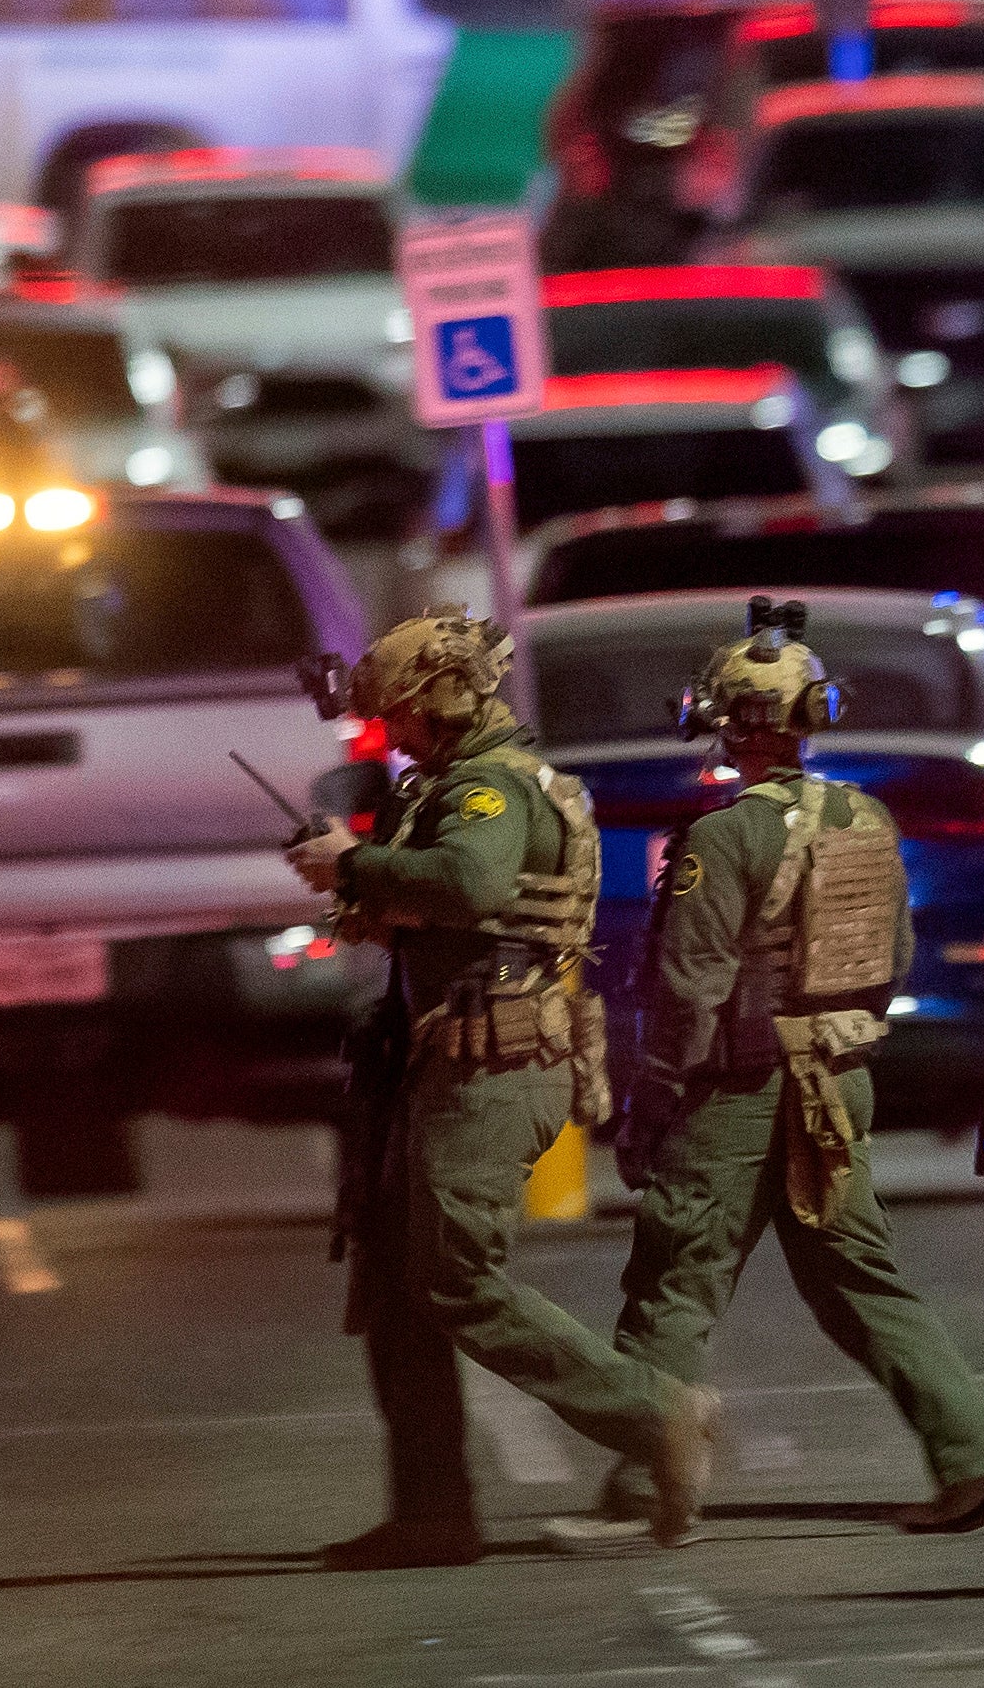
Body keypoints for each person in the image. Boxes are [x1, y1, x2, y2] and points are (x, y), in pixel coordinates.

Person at [541, 601, 984, 1552]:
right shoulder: (865, 818)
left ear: (728, 718)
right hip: (838, 1078)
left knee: (677, 1274)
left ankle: (647, 1478)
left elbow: (690, 987)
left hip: (739, 1088)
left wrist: (651, 1099)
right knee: (858, 1276)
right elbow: (893, 950)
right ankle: (972, 1452)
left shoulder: (722, 839)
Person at [286, 608, 716, 1569]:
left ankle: (658, 1416)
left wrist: (351, 861)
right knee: (400, 1292)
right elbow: (436, 909)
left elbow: (474, 885)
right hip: (443, 1057)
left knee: (453, 1278)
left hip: (493, 1060)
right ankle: (432, 1511)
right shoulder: (444, 782)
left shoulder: (486, 789)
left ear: (439, 699)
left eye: (398, 714)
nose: (389, 734)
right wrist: (361, 883)